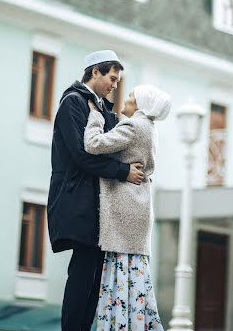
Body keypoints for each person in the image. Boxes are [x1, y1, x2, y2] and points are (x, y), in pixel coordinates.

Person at [47, 50, 145, 331]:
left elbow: (116, 145)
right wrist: (124, 172)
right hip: (78, 202)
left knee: (93, 278)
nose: (115, 84)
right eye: (112, 78)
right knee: (82, 275)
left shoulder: (101, 108)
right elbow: (82, 154)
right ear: (95, 72)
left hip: (96, 205)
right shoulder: (73, 103)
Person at [84, 84, 171, 331]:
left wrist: (95, 116)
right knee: (133, 279)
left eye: (132, 95)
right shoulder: (150, 128)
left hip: (125, 209)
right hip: (139, 208)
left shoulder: (134, 126)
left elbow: (93, 144)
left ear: (140, 105)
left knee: (119, 278)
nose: (127, 97)